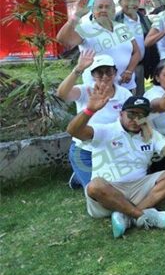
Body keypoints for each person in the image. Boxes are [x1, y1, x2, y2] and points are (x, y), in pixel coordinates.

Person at [67, 90, 165, 238]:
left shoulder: (151, 135)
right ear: (121, 114)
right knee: (95, 185)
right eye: (131, 114)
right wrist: (89, 110)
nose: (135, 120)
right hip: (108, 193)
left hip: (138, 189)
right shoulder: (106, 130)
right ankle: (140, 215)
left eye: (141, 116)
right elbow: (73, 130)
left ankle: (127, 216)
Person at [57, 51, 133, 189]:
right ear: (93, 75)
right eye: (99, 73)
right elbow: (62, 94)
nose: (105, 77)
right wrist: (78, 69)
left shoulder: (124, 94)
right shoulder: (85, 91)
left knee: (119, 186)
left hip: (113, 149)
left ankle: (79, 177)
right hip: (85, 150)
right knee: (97, 192)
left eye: (108, 72)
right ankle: (79, 176)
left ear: (115, 72)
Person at [57, 0, 140, 93]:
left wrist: (129, 71)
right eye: (100, 7)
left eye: (107, 7)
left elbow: (137, 52)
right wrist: (77, 15)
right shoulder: (85, 28)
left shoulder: (122, 28)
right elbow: (63, 40)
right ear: (93, 11)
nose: (103, 10)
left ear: (113, 11)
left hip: (125, 86)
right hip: (97, 89)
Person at [115, 0, 154, 95]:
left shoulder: (144, 19)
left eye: (135, 0)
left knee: (139, 98)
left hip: (140, 66)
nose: (131, 3)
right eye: (127, 0)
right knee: (123, 97)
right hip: (122, 69)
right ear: (120, 3)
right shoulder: (115, 21)